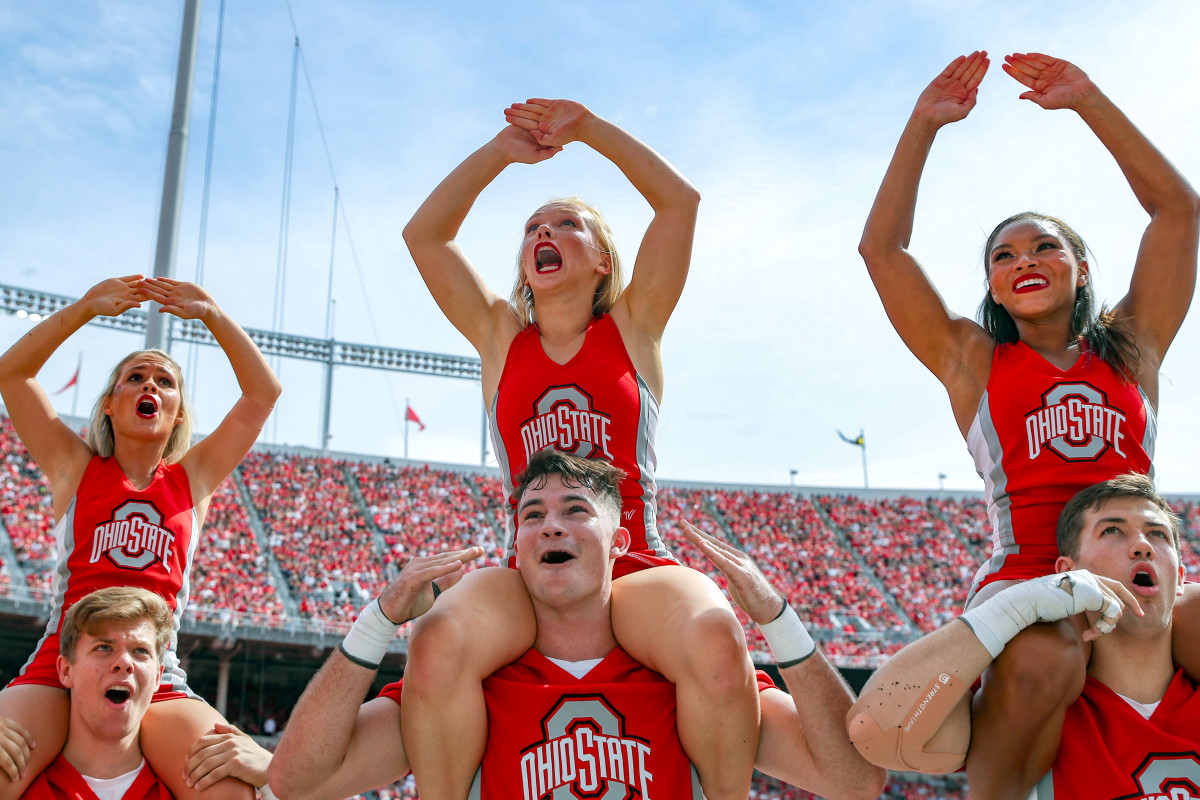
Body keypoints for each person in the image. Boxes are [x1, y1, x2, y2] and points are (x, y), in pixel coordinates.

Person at [853, 50, 1200, 786]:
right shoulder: (972, 360)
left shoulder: (1132, 348)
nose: (1025, 259)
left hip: (1133, 562)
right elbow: (881, 250)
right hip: (1026, 574)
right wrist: (923, 125)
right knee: (1047, 656)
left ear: (1079, 267)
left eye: (1046, 245)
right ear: (994, 288)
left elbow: (1179, 210)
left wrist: (1089, 101)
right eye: (1004, 255)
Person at [402, 99, 758, 799]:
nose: (546, 230)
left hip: (635, 565)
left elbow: (679, 203)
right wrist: (499, 153)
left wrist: (589, 129)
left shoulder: (635, 325)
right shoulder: (502, 336)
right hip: (528, 573)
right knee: (435, 638)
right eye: (535, 226)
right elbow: (425, 237)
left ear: (602, 260)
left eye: (569, 224)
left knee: (716, 637)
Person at [269, 450, 885, 800]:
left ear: (619, 543)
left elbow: (856, 780)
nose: (551, 526)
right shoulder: (466, 685)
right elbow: (299, 781)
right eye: (532, 514)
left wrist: (778, 621)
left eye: (574, 511)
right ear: (517, 545)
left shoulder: (689, 675)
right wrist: (376, 623)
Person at [0, 276, 282, 800]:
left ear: (177, 413)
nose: (151, 385)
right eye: (136, 377)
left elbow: (262, 392)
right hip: (60, 663)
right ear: (109, 403)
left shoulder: (193, 479)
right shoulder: (75, 468)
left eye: (165, 382)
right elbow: (13, 374)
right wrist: (85, 308)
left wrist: (214, 315)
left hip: (158, 672)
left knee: (228, 788)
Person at [850, 474, 1198, 798]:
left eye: (1158, 534)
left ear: (1180, 576)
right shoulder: (1032, 707)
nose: (1142, 546)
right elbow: (875, 726)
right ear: (1068, 571)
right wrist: (1016, 606)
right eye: (1112, 531)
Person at [18, 586, 271, 800]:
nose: (124, 662)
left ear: (158, 677)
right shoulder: (16, 787)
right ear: (65, 670)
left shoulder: (202, 788)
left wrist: (273, 777)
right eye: (104, 647)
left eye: (140, 651)